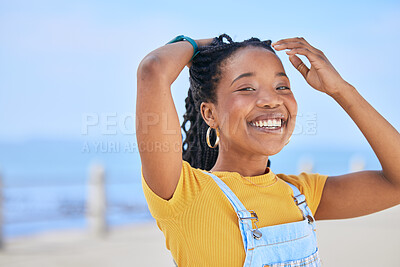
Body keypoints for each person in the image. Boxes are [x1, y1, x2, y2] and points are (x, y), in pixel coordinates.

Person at [136, 34, 400, 266]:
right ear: (209, 113)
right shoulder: (183, 195)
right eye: (246, 88)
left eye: (281, 86)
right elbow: (153, 70)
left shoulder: (301, 195)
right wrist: (203, 45)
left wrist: (342, 90)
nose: (271, 100)